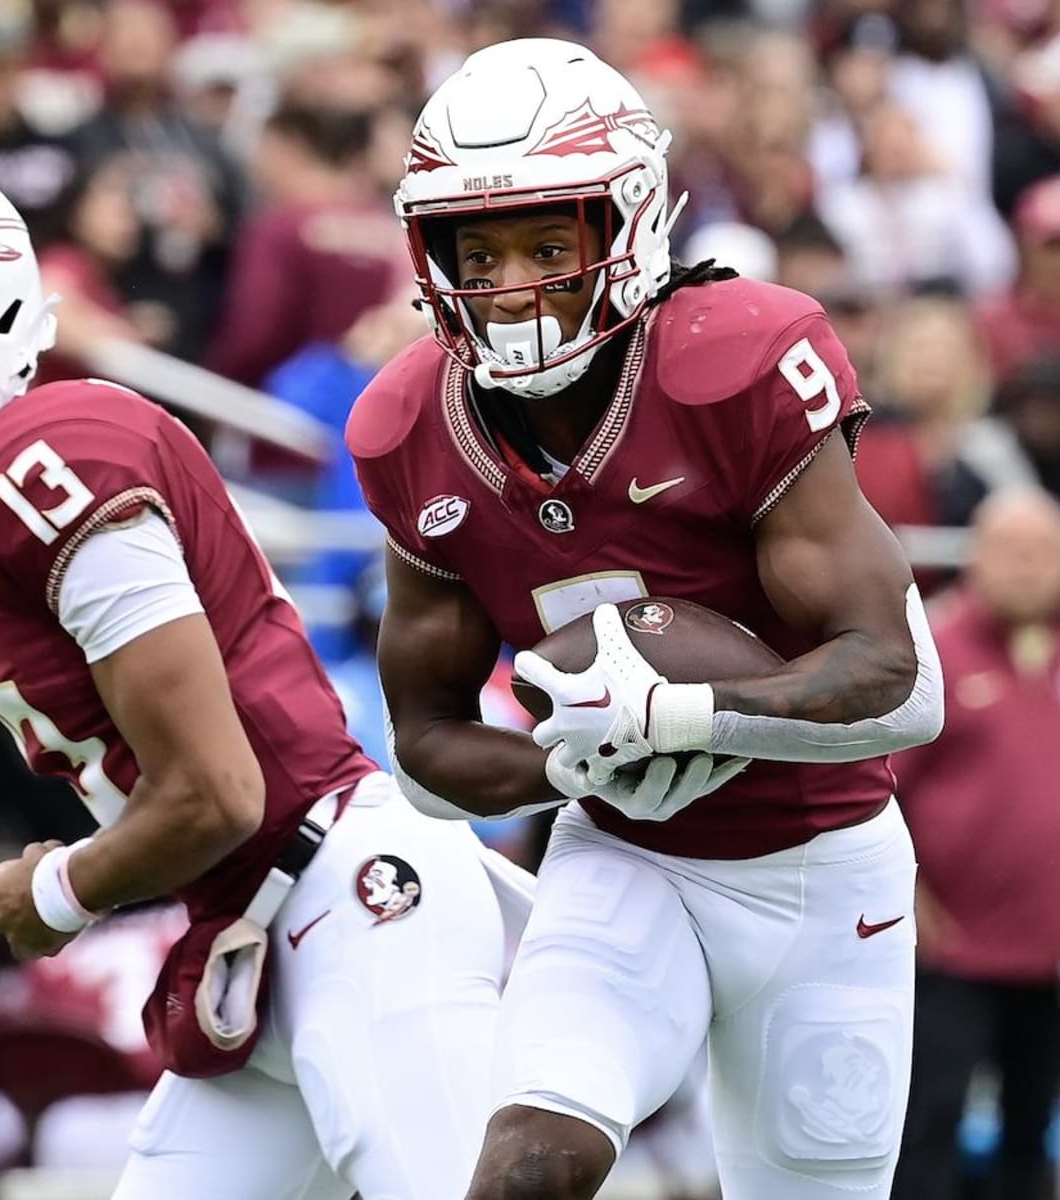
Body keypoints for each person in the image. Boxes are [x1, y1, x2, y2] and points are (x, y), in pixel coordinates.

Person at [0, 153, 533, 1200]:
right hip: (260, 920)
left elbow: (218, 789)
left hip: (346, 899)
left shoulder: (33, 462)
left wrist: (61, 889)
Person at [346, 37, 946, 1200]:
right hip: (625, 858)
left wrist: (684, 715)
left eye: (544, 241)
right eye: (479, 248)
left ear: (624, 225)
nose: (511, 281)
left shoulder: (734, 361)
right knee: (527, 1172)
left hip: (825, 869)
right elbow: (422, 748)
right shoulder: (408, 423)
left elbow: (903, 683)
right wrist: (576, 765)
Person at [890, 488, 1060, 1200]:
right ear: (977, 557)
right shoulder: (935, 653)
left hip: (1048, 954)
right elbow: (882, 789)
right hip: (952, 949)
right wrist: (912, 897)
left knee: (1032, 1133)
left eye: (1042, 553)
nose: (1027, 568)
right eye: (1011, 551)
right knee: (928, 1122)